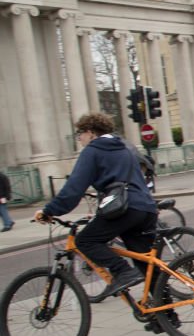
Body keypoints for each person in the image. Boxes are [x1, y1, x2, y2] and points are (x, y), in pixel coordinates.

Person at [34, 113, 158, 297]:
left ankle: (123, 271)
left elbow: (74, 188)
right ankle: (165, 309)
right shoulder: (125, 147)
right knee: (145, 264)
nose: (79, 139)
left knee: (85, 241)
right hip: (146, 207)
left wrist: (49, 211)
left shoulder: (92, 151)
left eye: (80, 134)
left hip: (125, 209)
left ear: (91, 132)